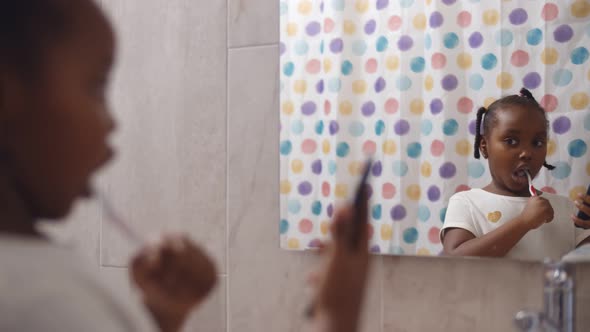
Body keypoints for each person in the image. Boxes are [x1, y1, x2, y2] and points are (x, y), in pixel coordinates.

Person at [0, 1, 370, 331]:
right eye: (96, 87)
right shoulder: (41, 303)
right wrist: (337, 314)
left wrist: (161, 315)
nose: (111, 123)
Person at [441, 88, 590, 260]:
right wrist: (523, 223)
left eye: (537, 142)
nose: (527, 153)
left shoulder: (566, 208)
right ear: (484, 146)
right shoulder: (466, 203)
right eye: (511, 141)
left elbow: (583, 270)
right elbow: (454, 259)